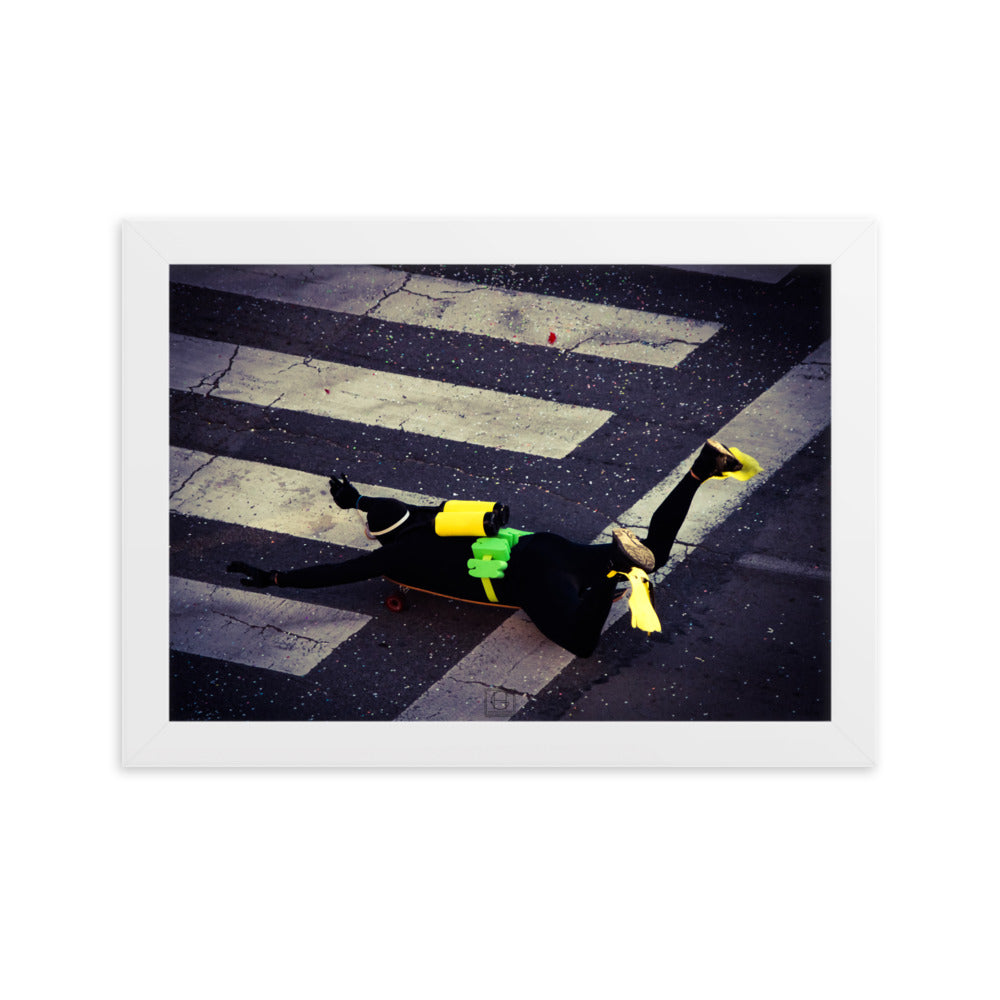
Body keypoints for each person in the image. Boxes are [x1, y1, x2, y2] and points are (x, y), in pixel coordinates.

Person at [227, 439, 754, 658]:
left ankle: (617, 570)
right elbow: (383, 506)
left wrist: (275, 578)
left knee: (582, 643)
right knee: (656, 552)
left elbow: (336, 573)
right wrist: (357, 498)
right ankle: (700, 469)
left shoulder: (393, 557)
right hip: (547, 548)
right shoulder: (436, 516)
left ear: (380, 539)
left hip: (526, 581)